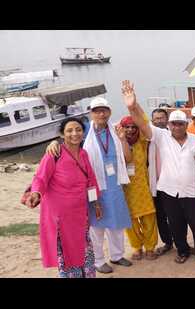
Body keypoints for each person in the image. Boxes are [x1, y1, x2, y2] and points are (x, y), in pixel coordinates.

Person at [121, 80, 195, 265]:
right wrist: (133, 106)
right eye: (173, 124)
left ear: (186, 124)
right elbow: (142, 122)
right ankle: (182, 250)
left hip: (191, 191)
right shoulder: (161, 136)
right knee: (176, 224)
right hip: (169, 190)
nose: (176, 127)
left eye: (180, 123)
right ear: (169, 125)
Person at [46, 97, 133, 274]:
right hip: (93, 187)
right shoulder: (83, 132)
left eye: (104, 110)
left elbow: (128, 155)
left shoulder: (116, 130)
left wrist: (124, 138)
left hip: (115, 185)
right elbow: (68, 138)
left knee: (117, 224)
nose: (101, 113)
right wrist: (54, 142)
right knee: (96, 225)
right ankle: (99, 260)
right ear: (91, 113)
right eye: (96, 110)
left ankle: (117, 255)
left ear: (109, 112)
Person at [26, 117, 100, 278]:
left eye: (78, 130)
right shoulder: (54, 153)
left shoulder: (83, 153)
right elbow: (40, 178)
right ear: (62, 134)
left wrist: (95, 203)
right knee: (67, 252)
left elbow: (91, 179)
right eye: (69, 130)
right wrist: (36, 193)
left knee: (83, 247)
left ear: (83, 132)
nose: (75, 133)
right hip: (60, 216)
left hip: (80, 213)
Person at [120, 116, 158, 261]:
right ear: (121, 128)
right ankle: (136, 247)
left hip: (143, 186)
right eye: (127, 127)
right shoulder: (117, 143)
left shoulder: (142, 141)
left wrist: (132, 106)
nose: (130, 130)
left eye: (133, 127)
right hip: (126, 188)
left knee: (149, 218)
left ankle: (150, 247)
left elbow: (144, 122)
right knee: (130, 221)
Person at [148, 108, 175, 256]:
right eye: (156, 118)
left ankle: (180, 242)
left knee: (176, 215)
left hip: (172, 184)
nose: (158, 121)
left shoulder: (174, 136)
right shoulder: (148, 139)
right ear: (152, 121)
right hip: (156, 184)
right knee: (160, 216)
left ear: (167, 119)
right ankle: (167, 242)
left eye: (161, 118)